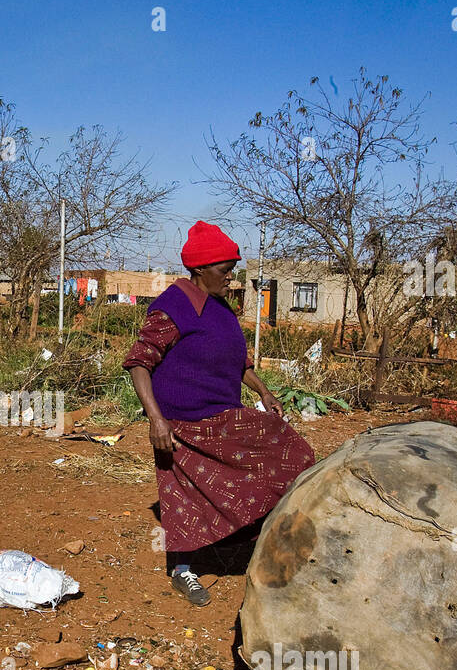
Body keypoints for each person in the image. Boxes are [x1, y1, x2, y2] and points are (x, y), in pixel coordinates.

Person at [123, 221, 315, 606]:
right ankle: (183, 570)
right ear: (200, 270)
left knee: (292, 455)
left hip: (224, 414)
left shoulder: (219, 309)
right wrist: (156, 420)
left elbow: (238, 361)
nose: (231, 278)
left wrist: (264, 390)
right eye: (225, 271)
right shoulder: (172, 307)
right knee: (184, 495)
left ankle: (258, 540)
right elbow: (138, 362)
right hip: (182, 423)